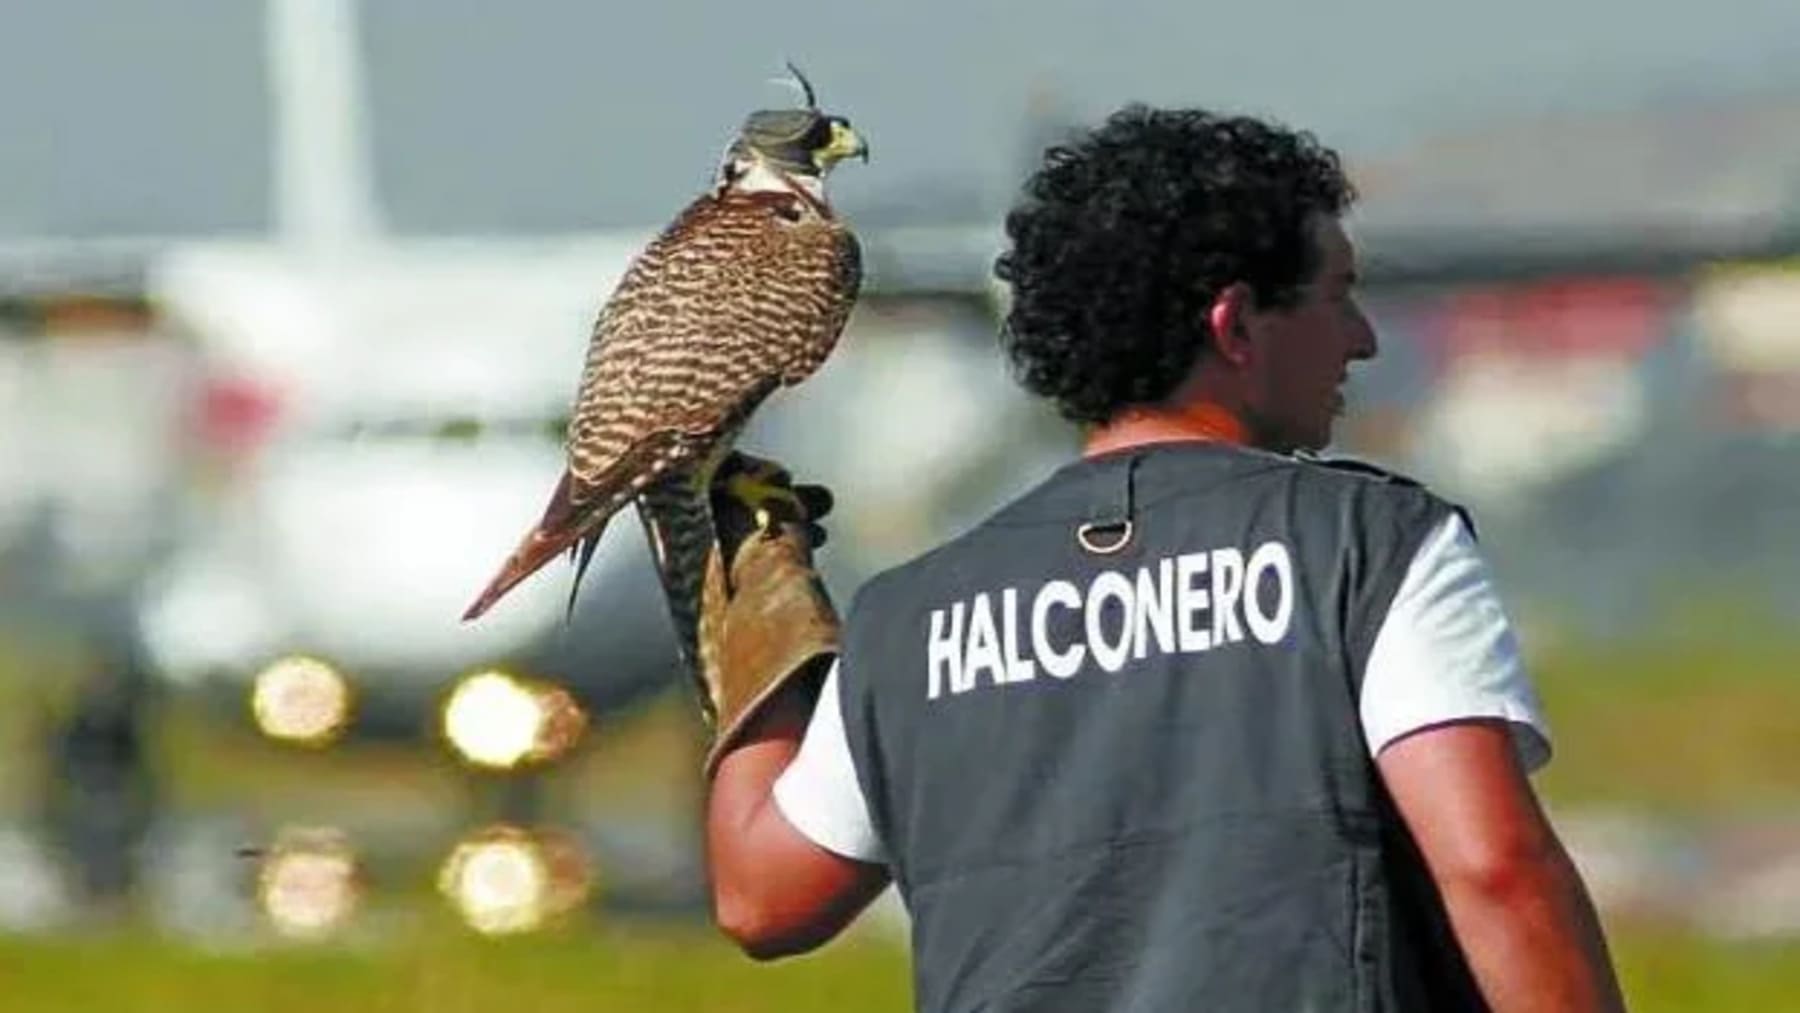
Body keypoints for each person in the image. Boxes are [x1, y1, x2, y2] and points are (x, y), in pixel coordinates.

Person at [690, 105, 1626, 1012]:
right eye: (1338, 296)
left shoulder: (905, 618)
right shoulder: (1369, 546)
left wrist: (752, 629)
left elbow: (764, 897)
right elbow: (1496, 868)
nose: (1362, 338)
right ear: (1237, 325)